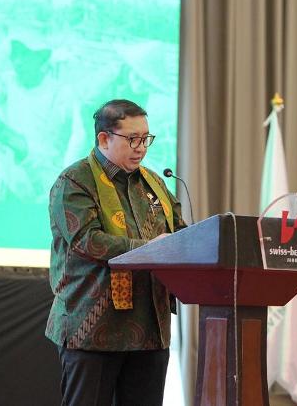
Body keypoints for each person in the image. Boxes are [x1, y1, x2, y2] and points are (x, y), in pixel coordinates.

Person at [46, 99, 187, 406]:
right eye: (133, 139)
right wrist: (152, 249)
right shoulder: (75, 182)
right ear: (104, 139)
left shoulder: (154, 183)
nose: (141, 148)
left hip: (150, 329)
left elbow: (180, 233)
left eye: (146, 139)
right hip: (93, 328)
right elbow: (88, 241)